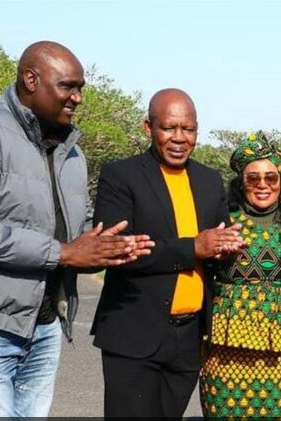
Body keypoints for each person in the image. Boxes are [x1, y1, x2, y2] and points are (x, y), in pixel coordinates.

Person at [0, 41, 152, 418]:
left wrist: (109, 246)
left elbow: (75, 225)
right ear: (30, 79)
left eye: (80, 88)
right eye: (68, 87)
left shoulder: (70, 149)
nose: (77, 98)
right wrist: (65, 253)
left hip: (43, 328)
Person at [90, 88, 245, 418]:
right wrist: (195, 247)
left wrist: (225, 250)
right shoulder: (121, 176)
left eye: (188, 129)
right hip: (134, 335)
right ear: (149, 128)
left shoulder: (208, 180)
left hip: (188, 339)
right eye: (169, 128)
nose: (179, 138)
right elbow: (117, 250)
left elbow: (217, 243)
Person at [200, 132, 281, 419]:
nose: (263, 185)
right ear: (241, 182)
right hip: (224, 353)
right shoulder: (222, 221)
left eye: (271, 178)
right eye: (253, 178)